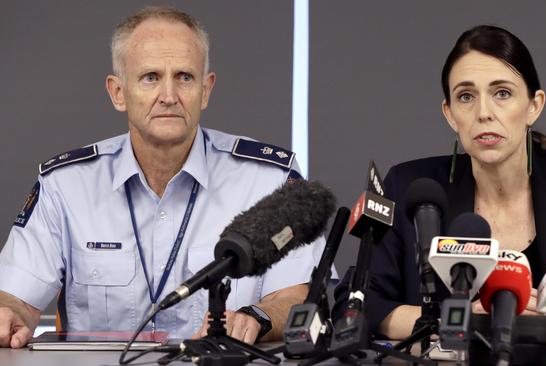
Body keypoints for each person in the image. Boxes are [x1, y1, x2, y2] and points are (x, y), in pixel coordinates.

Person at [0, 6, 324, 348]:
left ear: (206, 89)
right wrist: (8, 313)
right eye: (150, 77)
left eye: (184, 76)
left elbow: (296, 297)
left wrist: (257, 317)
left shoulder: (269, 180)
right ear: (118, 92)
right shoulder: (65, 186)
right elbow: (15, 299)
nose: (169, 96)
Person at [333, 25, 546, 340]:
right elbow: (356, 304)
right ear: (450, 113)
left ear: (533, 106)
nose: (484, 112)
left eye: (502, 93)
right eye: (466, 96)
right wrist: (464, 321)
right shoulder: (410, 186)